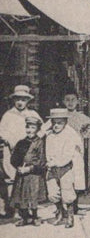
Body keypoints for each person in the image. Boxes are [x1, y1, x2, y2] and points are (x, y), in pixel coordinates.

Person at [45, 92, 90, 215]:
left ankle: (74, 206)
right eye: (67, 100)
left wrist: (83, 135)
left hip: (75, 152)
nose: (70, 102)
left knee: (76, 178)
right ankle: (60, 208)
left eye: (73, 100)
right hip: (61, 151)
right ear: (63, 101)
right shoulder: (59, 115)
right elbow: (45, 128)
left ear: (77, 101)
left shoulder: (80, 116)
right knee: (62, 179)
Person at [0, 85, 42, 219]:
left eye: (23, 99)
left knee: (27, 180)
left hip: (28, 152)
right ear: (13, 100)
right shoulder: (8, 115)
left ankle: (28, 208)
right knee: (12, 178)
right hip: (12, 152)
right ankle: (13, 208)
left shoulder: (32, 115)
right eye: (17, 99)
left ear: (28, 101)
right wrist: (9, 141)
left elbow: (41, 130)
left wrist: (35, 142)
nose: (20, 102)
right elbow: (2, 132)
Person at [44, 108, 84, 228]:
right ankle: (61, 213)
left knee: (67, 193)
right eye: (54, 123)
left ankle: (70, 217)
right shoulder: (49, 136)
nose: (56, 125)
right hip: (52, 168)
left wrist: (56, 162)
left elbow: (68, 154)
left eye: (59, 123)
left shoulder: (69, 135)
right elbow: (48, 151)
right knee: (53, 192)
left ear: (65, 122)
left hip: (65, 168)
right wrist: (49, 162)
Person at [9, 113, 47, 226]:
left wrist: (30, 168)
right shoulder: (21, 143)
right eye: (28, 127)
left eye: (33, 127)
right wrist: (18, 167)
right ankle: (25, 218)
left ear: (37, 129)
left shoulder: (40, 143)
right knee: (21, 196)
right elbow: (14, 158)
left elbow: (41, 160)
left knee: (33, 195)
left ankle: (35, 217)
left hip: (34, 174)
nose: (29, 130)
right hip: (21, 175)